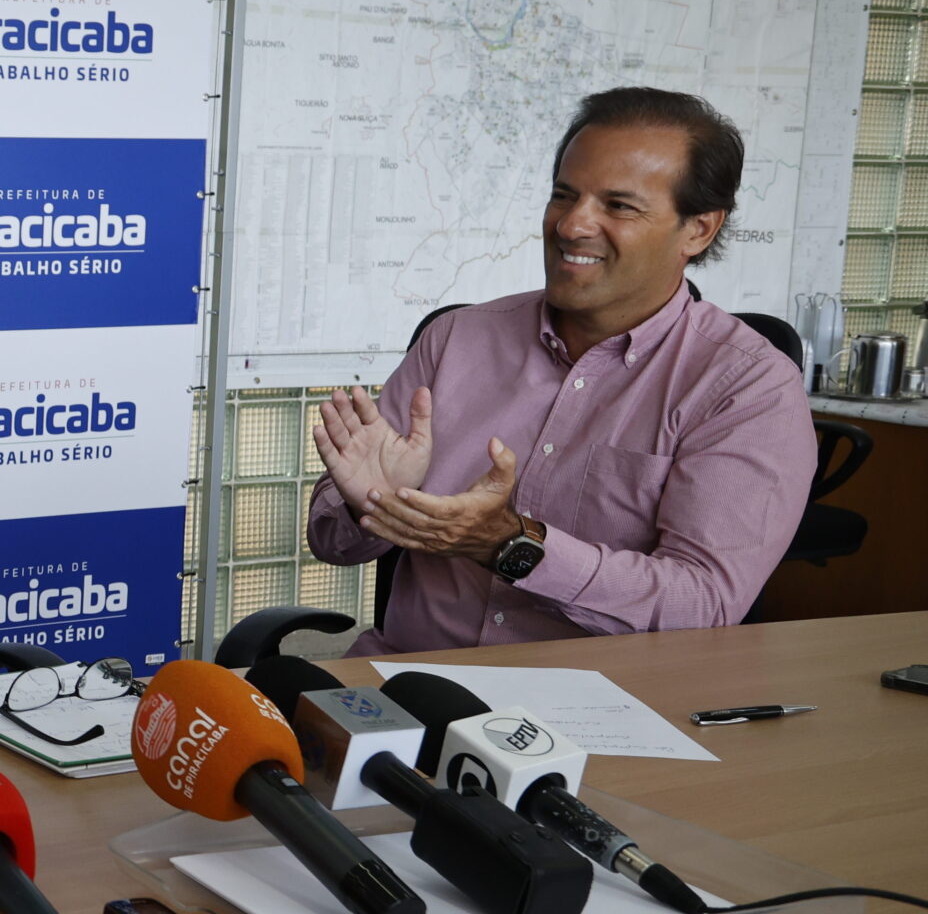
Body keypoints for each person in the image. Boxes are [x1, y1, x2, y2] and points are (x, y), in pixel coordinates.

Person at [307, 86, 814, 656]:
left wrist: (510, 545)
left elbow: (701, 604)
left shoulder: (746, 385)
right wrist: (369, 503)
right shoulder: (456, 338)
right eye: (563, 195)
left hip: (595, 716)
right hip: (406, 685)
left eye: (618, 206)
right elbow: (332, 542)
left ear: (698, 229)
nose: (572, 225)